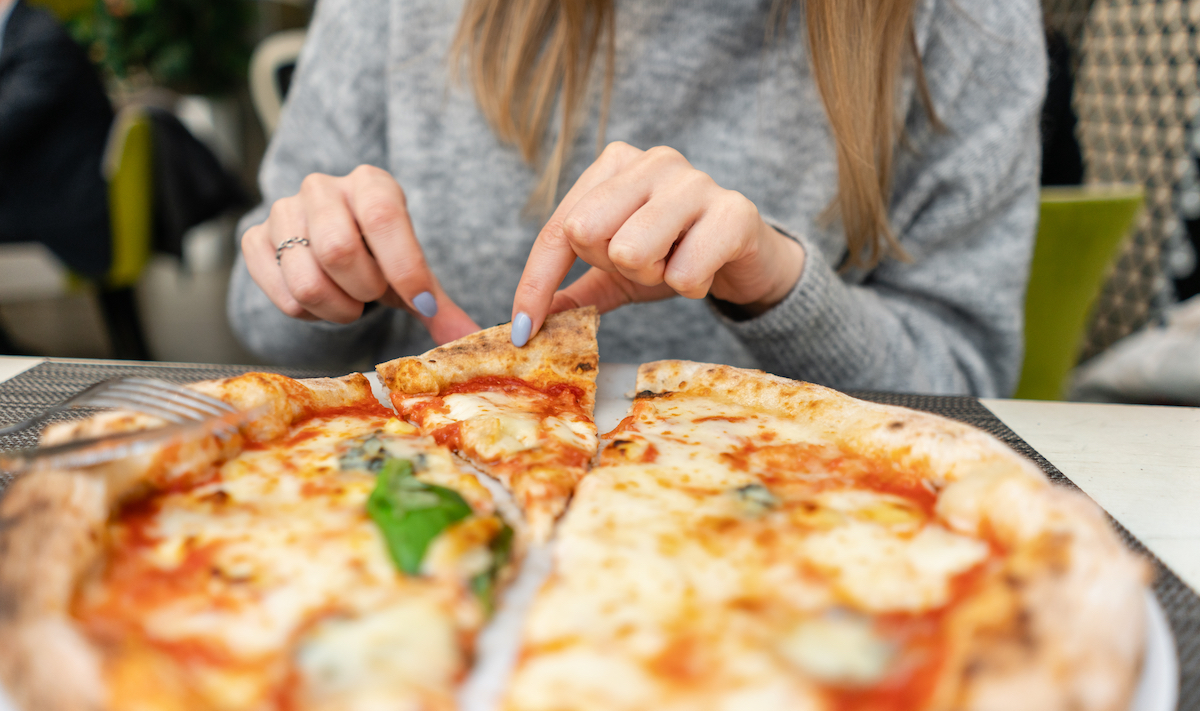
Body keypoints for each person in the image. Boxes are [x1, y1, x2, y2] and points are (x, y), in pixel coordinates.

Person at [232, 0, 1046, 396]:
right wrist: (319, 272)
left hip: (784, 540)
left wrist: (778, 286)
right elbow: (258, 316)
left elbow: (968, 384)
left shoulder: (972, 22)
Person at [0, 0, 114, 282]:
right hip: (32, 192)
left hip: (60, 205)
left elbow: (7, 121)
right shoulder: (23, 32)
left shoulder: (40, 36)